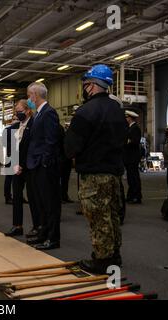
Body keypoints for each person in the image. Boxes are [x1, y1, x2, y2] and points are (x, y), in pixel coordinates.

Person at [64, 64, 127, 274]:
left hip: (93, 175)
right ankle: (114, 255)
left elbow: (71, 147)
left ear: (91, 86)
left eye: (85, 84)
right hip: (115, 174)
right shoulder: (118, 110)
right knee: (112, 215)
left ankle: (102, 261)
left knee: (98, 218)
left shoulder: (85, 111)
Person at [25, 82, 61, 250]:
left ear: (35, 95)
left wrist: (44, 163)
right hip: (36, 166)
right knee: (41, 204)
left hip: (45, 166)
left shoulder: (49, 113)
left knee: (50, 205)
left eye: (29, 95)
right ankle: (43, 234)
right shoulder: (37, 114)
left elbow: (51, 141)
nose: (28, 99)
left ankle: (52, 239)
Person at [4, 100, 34, 237]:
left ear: (28, 111)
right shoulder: (16, 127)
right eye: (16, 111)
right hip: (17, 167)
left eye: (20, 111)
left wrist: (23, 163)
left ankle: (37, 226)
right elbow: (12, 147)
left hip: (30, 167)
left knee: (33, 198)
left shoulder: (34, 125)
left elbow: (33, 148)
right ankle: (17, 226)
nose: (17, 114)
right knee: (17, 197)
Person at [123, 110, 142, 204]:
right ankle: (131, 195)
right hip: (128, 157)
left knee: (134, 177)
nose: (125, 119)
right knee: (130, 178)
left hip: (132, 157)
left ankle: (137, 196)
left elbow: (134, 141)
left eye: (126, 117)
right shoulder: (129, 128)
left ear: (130, 118)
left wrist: (125, 142)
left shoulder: (135, 128)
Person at [2, 116, 18, 205]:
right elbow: (4, 143)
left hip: (18, 155)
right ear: (12, 120)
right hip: (10, 155)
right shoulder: (7, 130)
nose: (16, 120)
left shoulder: (21, 128)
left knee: (19, 178)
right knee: (9, 177)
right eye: (15, 119)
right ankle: (7, 197)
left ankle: (18, 196)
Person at [59, 122, 73, 204]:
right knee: (61, 179)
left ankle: (64, 195)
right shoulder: (58, 128)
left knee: (65, 179)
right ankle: (62, 196)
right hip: (62, 157)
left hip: (66, 157)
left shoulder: (62, 128)